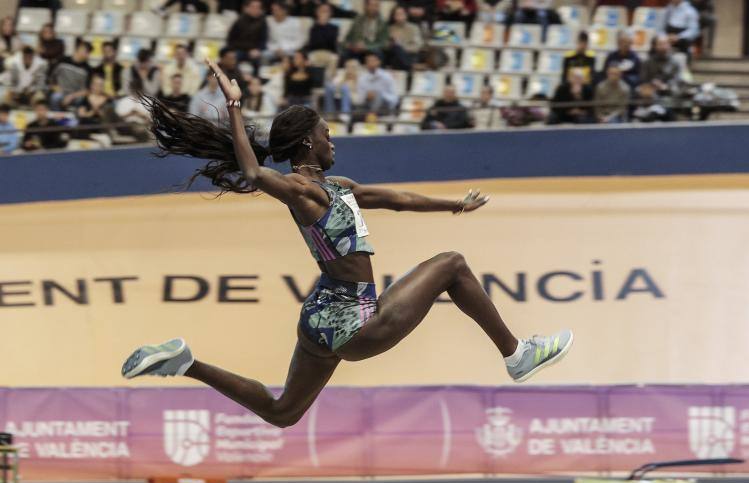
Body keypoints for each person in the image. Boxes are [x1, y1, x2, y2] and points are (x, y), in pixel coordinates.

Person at [123, 58, 574, 429]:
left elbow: (395, 200)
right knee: (452, 264)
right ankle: (517, 355)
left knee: (284, 413)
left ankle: (186, 363)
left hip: (319, 317)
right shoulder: (304, 190)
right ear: (306, 141)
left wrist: (454, 204)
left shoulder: (337, 186)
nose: (332, 139)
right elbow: (257, 175)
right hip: (353, 321)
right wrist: (235, 104)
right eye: (326, 134)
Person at [49, 40, 92, 109]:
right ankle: (56, 118)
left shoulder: (87, 69)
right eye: (86, 51)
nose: (88, 55)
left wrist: (71, 96)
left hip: (75, 96)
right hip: (60, 92)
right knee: (56, 97)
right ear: (79, 49)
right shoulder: (62, 61)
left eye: (89, 52)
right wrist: (55, 88)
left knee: (81, 100)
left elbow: (86, 90)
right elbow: (50, 79)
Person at [226, 0, 268, 67]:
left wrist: (258, 50)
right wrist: (232, 50)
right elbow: (231, 39)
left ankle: (255, 77)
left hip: (254, 50)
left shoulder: (263, 22)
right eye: (253, 7)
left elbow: (263, 40)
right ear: (247, 8)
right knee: (231, 57)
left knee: (260, 59)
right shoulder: (239, 21)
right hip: (239, 49)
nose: (255, 9)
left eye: (258, 7)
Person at [307, 3, 340, 81]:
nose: (324, 13)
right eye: (322, 11)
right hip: (315, 52)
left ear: (330, 13)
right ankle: (315, 83)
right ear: (317, 13)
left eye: (326, 11)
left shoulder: (334, 28)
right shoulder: (313, 28)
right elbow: (315, 44)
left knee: (334, 59)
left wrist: (325, 25)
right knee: (310, 59)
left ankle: (329, 82)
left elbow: (331, 44)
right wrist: (320, 24)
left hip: (329, 53)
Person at [386, 6, 424, 71]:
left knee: (398, 50)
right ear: (393, 17)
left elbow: (418, 46)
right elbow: (386, 46)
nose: (400, 16)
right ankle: (411, 66)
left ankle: (408, 65)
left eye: (402, 14)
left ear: (406, 15)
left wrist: (402, 48)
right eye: (397, 14)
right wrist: (390, 44)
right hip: (394, 55)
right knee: (396, 48)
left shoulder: (414, 28)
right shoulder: (390, 29)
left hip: (410, 55)